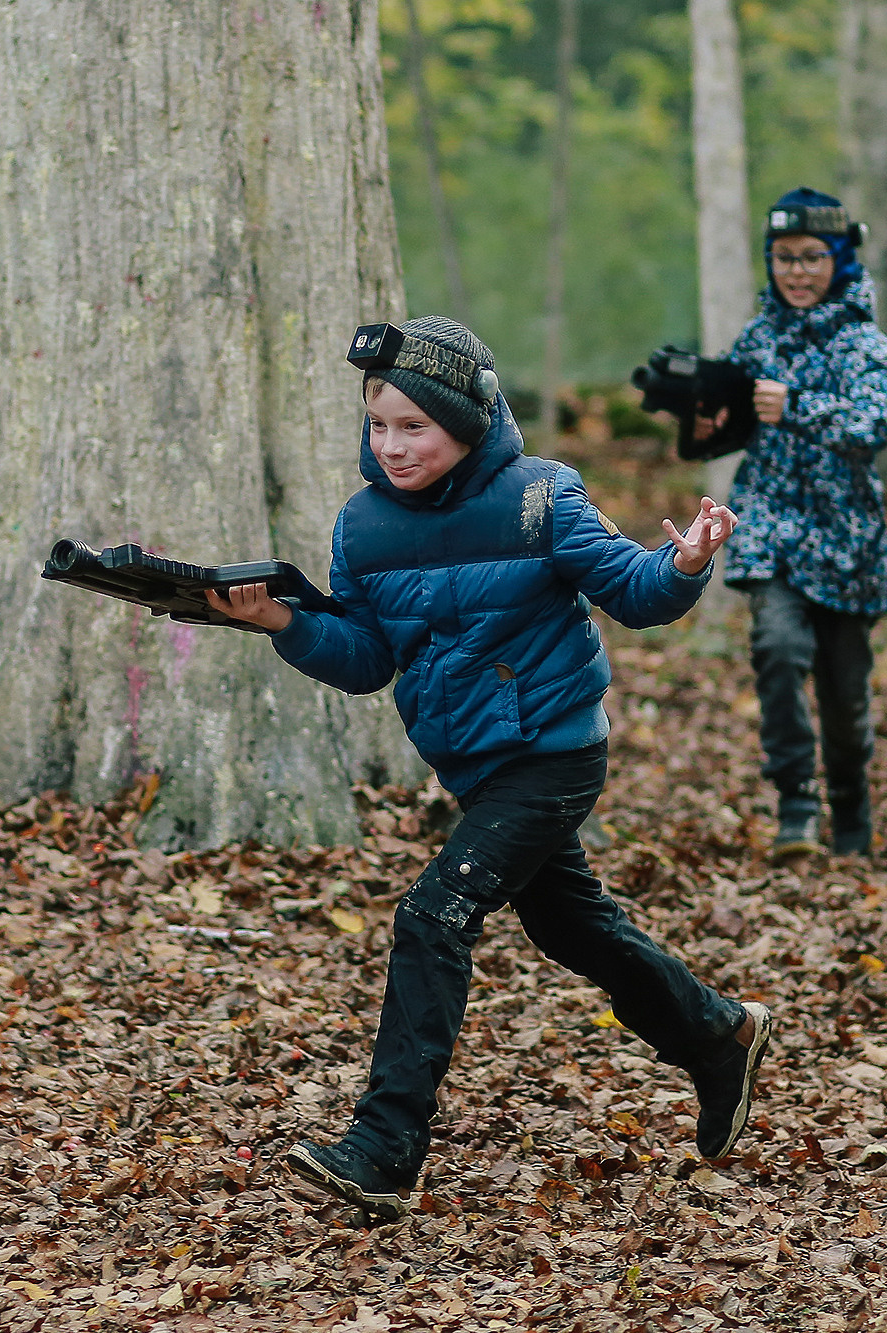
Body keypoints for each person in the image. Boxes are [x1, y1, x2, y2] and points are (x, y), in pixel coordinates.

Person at [205, 315, 773, 1223]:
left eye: (413, 428)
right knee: (570, 929)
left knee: (435, 914)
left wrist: (686, 561)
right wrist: (279, 621)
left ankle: (384, 1147)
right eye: (378, 424)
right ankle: (717, 1034)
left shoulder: (541, 496)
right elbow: (363, 657)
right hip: (472, 768)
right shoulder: (363, 525)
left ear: (468, 421)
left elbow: (631, 586)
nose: (391, 445)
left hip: (552, 752)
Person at [698, 188, 887, 859]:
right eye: (784, 258)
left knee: (845, 697)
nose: (797, 272)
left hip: (846, 543)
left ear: (840, 259)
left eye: (813, 257)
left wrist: (797, 407)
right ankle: (796, 802)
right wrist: (701, 420)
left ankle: (850, 805)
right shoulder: (759, 337)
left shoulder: (861, 340)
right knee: (779, 652)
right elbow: (733, 423)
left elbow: (880, 421)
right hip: (769, 530)